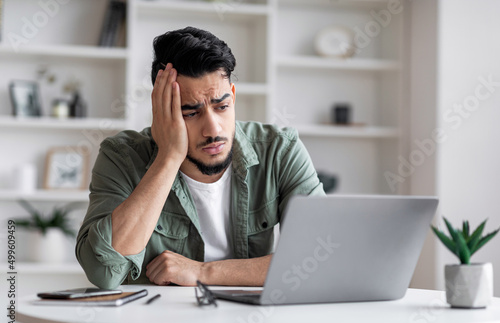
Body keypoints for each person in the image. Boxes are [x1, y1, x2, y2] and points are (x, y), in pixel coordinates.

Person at [76, 27, 325, 289]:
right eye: (190, 113)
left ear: (233, 95)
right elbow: (104, 272)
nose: (213, 129)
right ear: (162, 111)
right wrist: (168, 157)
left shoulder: (280, 150)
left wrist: (204, 272)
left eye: (222, 106)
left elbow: (320, 260)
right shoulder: (121, 157)